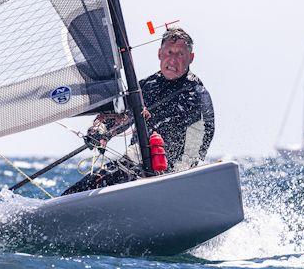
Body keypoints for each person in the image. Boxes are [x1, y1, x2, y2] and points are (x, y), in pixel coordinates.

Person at [62, 27, 215, 195]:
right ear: (159, 54)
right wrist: (101, 131)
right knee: (75, 192)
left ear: (191, 58)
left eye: (180, 54)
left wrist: (181, 176)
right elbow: (120, 116)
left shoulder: (196, 96)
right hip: (134, 168)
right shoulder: (145, 87)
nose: (173, 60)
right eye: (169, 52)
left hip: (173, 176)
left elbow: (201, 140)